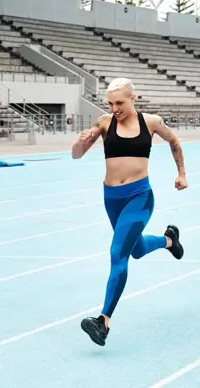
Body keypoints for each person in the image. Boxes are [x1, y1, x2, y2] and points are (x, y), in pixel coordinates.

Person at [71, 77, 188, 347]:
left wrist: (181, 173)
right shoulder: (103, 123)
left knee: (118, 253)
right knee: (135, 249)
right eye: (110, 103)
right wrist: (80, 142)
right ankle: (170, 240)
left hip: (139, 197)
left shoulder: (151, 122)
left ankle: (103, 321)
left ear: (133, 98)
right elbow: (77, 154)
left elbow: (175, 141)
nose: (114, 109)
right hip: (111, 199)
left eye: (120, 103)